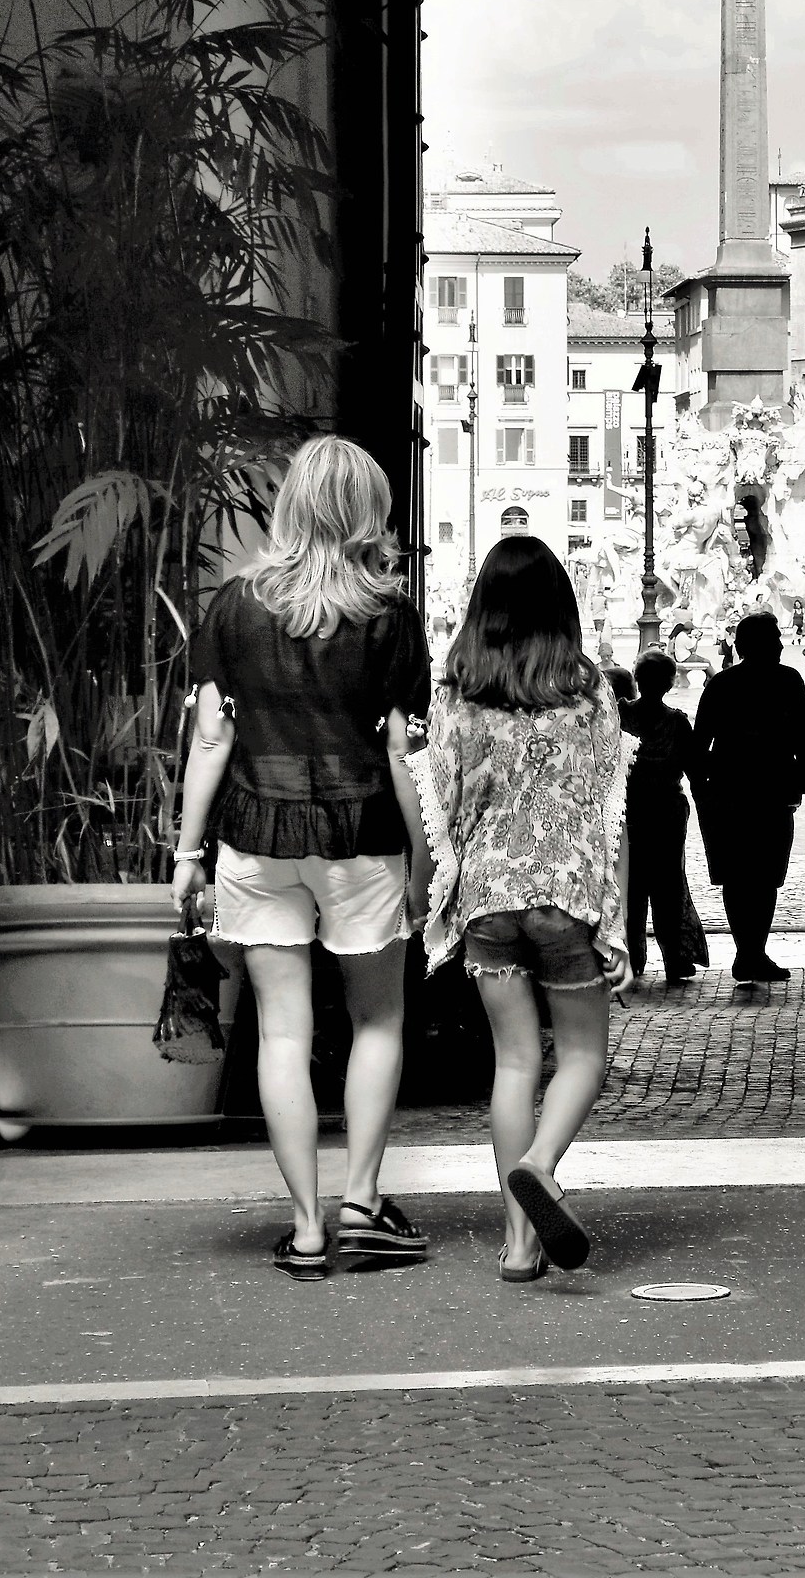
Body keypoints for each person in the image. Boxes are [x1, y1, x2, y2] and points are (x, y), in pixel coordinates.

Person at [170, 436, 433, 1282]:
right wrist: (426, 860)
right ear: (369, 512)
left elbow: (211, 738)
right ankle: (361, 1205)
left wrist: (186, 851)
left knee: (281, 1030)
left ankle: (308, 1227)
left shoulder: (236, 606)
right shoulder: (389, 613)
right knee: (378, 1021)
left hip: (255, 835)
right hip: (362, 838)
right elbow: (401, 752)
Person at [417, 535, 629, 1282]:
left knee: (512, 1063)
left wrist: (434, 902)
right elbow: (611, 809)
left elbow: (437, 803)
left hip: (487, 902)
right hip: (566, 897)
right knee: (581, 1058)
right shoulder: (587, 689)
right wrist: (619, 920)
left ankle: (517, 1244)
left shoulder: (454, 691)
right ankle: (539, 1165)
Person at [691, 610, 805, 982]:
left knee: (738, 874)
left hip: (728, 792)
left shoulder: (721, 684)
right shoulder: (788, 681)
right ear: (762, 644)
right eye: (776, 638)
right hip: (771, 792)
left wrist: (701, 789)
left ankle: (747, 952)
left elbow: (699, 744)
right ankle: (752, 952)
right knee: (765, 874)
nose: (782, 644)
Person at [619, 651, 698, 985]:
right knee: (668, 882)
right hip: (667, 808)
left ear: (638, 679)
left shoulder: (621, 715)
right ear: (669, 682)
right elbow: (696, 767)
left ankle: (631, 956)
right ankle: (674, 957)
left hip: (628, 809)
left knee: (630, 881)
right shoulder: (677, 722)